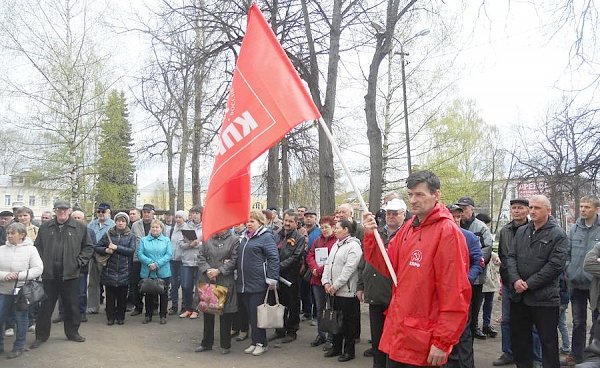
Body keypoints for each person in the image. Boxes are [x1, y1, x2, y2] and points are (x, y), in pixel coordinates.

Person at [362, 170, 471, 367]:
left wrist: (442, 341)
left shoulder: (447, 232)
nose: (413, 200)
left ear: (435, 195)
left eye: (419, 194)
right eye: (410, 194)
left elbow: (455, 291)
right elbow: (387, 265)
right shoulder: (409, 227)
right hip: (399, 331)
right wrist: (371, 235)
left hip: (424, 339)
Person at [506, 194, 568, 368]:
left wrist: (528, 284)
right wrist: (516, 280)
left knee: (548, 343)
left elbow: (555, 266)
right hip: (519, 297)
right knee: (520, 340)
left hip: (544, 299)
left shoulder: (558, 234)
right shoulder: (522, 231)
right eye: (531, 207)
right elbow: (511, 257)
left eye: (537, 208)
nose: (532, 211)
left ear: (548, 210)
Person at [31, 200, 93, 349]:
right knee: (45, 307)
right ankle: (41, 336)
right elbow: (37, 247)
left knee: (72, 305)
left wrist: (79, 262)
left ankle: (72, 333)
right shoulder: (45, 227)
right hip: (49, 275)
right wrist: (41, 264)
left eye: (65, 209)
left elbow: (88, 248)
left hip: (70, 274)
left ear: (69, 211)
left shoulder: (80, 227)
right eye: (59, 209)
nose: (62, 212)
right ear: (55, 211)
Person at [357, 198, 406, 368]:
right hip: (375, 294)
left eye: (395, 213)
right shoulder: (377, 233)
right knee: (377, 339)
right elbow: (366, 261)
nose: (391, 216)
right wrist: (361, 285)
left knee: (394, 341)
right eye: (388, 213)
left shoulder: (407, 234)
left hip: (395, 297)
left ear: (403, 215)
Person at [494, 198, 543, 367]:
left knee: (533, 323)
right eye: (513, 208)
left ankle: (536, 357)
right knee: (507, 320)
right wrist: (507, 280)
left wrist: (527, 281)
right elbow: (504, 256)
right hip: (510, 283)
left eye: (520, 208)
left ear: (527, 210)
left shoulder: (534, 229)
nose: (516, 211)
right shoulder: (505, 230)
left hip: (530, 284)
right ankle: (508, 352)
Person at [443, 204, 484, 368]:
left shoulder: (469, 237)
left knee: (464, 334)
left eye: (458, 216)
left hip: (462, 293)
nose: (455, 219)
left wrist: (466, 280)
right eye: (451, 216)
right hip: (442, 293)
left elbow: (478, 262)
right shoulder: (439, 236)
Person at [236, 210, 279, 357]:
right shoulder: (245, 237)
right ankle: (254, 342)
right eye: (247, 221)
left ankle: (262, 343)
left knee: (257, 315)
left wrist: (272, 278)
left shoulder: (266, 237)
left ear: (261, 222)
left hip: (258, 283)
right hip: (244, 282)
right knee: (250, 314)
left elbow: (273, 258)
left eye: (252, 221)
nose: (248, 224)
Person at [564, 196, 600, 366]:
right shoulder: (574, 229)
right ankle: (575, 354)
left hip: (596, 284)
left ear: (596, 209)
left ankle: (592, 356)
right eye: (582, 206)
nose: (583, 209)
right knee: (578, 322)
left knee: (597, 321)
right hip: (576, 283)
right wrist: (568, 270)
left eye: (588, 206)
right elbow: (566, 252)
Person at [321, 218, 363, 362]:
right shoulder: (336, 245)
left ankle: (349, 351)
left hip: (347, 292)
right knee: (336, 321)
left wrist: (335, 285)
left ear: (346, 230)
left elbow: (349, 270)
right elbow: (328, 264)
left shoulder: (354, 246)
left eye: (337, 227)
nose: (335, 230)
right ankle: (336, 347)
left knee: (348, 323)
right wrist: (325, 282)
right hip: (333, 291)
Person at [0, 222, 43, 359]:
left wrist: (19, 275)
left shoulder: (31, 250)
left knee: (21, 319)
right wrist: (4, 275)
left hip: (22, 291)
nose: (9, 235)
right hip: (3, 290)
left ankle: (18, 347)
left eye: (13, 233)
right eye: (8, 233)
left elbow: (38, 269)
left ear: (22, 235)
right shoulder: (1, 249)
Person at [195, 229, 239, 354]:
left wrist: (219, 270)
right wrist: (208, 270)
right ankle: (206, 343)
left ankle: (225, 345)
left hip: (224, 280)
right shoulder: (207, 238)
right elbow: (200, 256)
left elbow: (234, 260)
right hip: (208, 279)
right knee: (208, 311)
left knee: (225, 313)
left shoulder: (234, 240)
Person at [456, 196, 493, 340]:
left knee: (474, 306)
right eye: (460, 209)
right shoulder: (454, 225)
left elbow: (486, 250)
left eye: (465, 208)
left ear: (472, 209)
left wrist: (470, 265)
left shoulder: (481, 227)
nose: (462, 212)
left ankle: (473, 329)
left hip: (475, 278)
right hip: (457, 279)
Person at [94, 212, 136, 325]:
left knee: (122, 296)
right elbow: (97, 247)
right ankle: (110, 317)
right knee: (110, 296)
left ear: (126, 223)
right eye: (118, 220)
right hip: (109, 269)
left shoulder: (131, 235)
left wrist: (117, 248)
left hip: (125, 269)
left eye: (123, 221)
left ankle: (120, 317)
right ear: (115, 221)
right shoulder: (109, 233)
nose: (120, 223)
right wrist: (106, 250)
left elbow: (131, 251)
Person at [270, 210, 305, 343]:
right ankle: (279, 329)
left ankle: (292, 330)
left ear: (296, 223)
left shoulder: (299, 238)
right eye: (286, 220)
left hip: (291, 277)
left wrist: (278, 266)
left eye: (291, 221)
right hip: (276, 276)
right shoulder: (276, 235)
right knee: (278, 302)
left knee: (292, 304)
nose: (287, 223)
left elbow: (296, 257)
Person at [306, 215, 337, 348]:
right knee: (319, 308)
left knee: (330, 309)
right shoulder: (318, 240)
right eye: (322, 227)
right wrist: (313, 268)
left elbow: (333, 259)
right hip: (316, 281)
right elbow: (310, 255)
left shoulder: (336, 242)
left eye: (327, 227)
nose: (324, 230)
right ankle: (321, 334)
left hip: (330, 280)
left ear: (333, 227)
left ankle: (331, 337)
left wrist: (319, 270)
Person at [137, 219, 172, 325]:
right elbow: (140, 254)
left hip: (163, 271)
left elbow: (169, 255)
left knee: (163, 294)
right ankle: (148, 315)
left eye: (157, 227)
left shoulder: (166, 240)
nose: (155, 229)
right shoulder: (144, 240)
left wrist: (157, 264)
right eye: (153, 227)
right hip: (148, 271)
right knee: (148, 294)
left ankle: (163, 315)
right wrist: (150, 263)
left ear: (161, 229)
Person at [87, 203, 115, 316]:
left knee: (109, 284)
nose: (101, 214)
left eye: (103, 212)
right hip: (93, 257)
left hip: (107, 257)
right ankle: (93, 306)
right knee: (93, 283)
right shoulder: (92, 224)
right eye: (99, 212)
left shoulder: (113, 225)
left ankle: (110, 307)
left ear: (109, 212)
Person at [179, 205, 202, 319]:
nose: (194, 215)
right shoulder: (186, 227)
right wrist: (190, 244)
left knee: (198, 287)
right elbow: (181, 244)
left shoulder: (206, 227)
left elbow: (209, 244)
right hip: (187, 260)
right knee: (186, 285)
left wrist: (199, 244)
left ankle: (196, 309)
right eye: (193, 213)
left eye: (197, 213)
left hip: (200, 261)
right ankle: (188, 308)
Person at [168, 210, 189, 315]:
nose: (178, 219)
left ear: (184, 218)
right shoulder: (172, 230)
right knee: (174, 284)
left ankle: (184, 306)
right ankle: (174, 306)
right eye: (176, 217)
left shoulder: (188, 229)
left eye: (180, 217)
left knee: (185, 285)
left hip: (183, 260)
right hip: (172, 260)